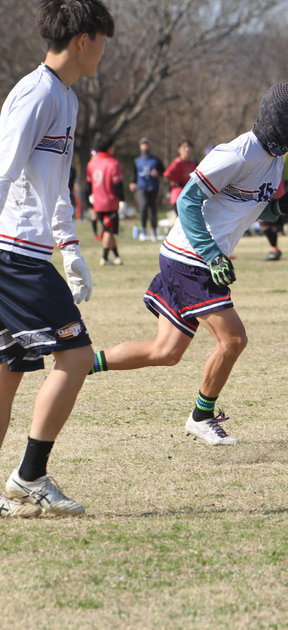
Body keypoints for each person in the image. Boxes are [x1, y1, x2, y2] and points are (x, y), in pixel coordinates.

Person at [87, 82, 288, 445]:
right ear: (277, 116)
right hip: (192, 259)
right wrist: (212, 254)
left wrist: (277, 208)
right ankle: (202, 417)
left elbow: (244, 206)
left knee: (165, 352)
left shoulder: (274, 160)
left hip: (188, 258)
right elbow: (187, 202)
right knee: (234, 340)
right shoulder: (236, 154)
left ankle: (83, 363)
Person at [0, 0, 114, 518]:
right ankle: (29, 476)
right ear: (83, 39)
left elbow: (58, 184)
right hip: (13, 255)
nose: (104, 51)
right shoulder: (36, 93)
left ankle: (24, 478)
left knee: (9, 369)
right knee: (76, 355)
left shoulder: (65, 97)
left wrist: (68, 246)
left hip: (27, 251)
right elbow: (3, 172)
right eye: (103, 40)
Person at [86, 134, 124, 265]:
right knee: (109, 230)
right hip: (111, 203)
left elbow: (88, 184)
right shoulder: (113, 163)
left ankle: (117, 257)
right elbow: (118, 185)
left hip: (97, 203)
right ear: (109, 147)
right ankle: (104, 258)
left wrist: (89, 199)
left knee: (109, 230)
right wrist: (122, 200)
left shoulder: (92, 164)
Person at [130, 137, 164, 241]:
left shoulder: (155, 160)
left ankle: (154, 231)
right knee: (143, 206)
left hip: (153, 187)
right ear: (140, 146)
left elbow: (163, 171)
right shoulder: (137, 160)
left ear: (149, 146)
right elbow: (134, 173)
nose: (144, 146)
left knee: (152, 210)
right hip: (141, 187)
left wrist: (158, 173)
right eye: (142, 144)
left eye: (146, 144)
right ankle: (143, 230)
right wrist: (132, 182)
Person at [163, 139, 197, 216]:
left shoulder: (193, 163)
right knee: (181, 218)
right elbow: (167, 174)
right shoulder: (177, 162)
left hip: (190, 195)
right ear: (179, 150)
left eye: (189, 147)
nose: (187, 149)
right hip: (178, 195)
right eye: (184, 147)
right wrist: (176, 181)